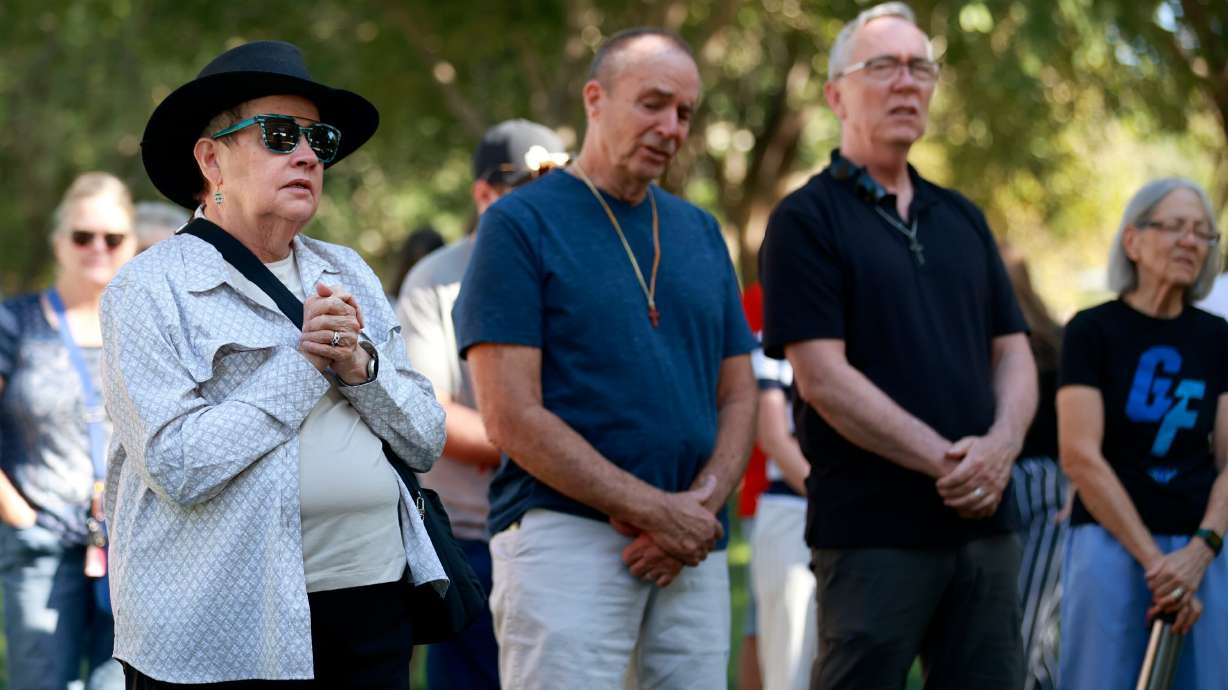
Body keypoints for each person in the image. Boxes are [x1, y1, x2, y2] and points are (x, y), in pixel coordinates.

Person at [100, 40, 447, 687]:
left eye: (321, 139)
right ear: (212, 159)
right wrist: (304, 361)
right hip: (219, 622)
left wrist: (358, 369)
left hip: (370, 601)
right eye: (281, 134)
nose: (308, 155)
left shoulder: (349, 271)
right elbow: (177, 465)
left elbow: (426, 439)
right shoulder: (147, 289)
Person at [453, 27, 758, 688]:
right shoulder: (519, 224)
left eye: (685, 112)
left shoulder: (701, 231)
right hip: (564, 538)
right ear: (595, 98)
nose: (671, 126)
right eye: (652, 103)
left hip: (690, 549)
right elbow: (510, 415)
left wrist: (696, 510)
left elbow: (739, 393)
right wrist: (657, 510)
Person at [759, 4, 1037, 689]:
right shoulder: (805, 220)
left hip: (986, 528)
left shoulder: (963, 218)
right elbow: (822, 378)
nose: (907, 83)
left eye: (921, 68)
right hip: (872, 534)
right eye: (883, 66)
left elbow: (1016, 353)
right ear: (835, 94)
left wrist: (998, 449)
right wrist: (950, 463)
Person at [396, 118, 567, 690]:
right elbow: (429, 413)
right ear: (484, 194)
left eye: (557, 182)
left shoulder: (575, 270)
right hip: (475, 537)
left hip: (573, 525)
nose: (544, 200)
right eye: (526, 185)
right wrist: (550, 447)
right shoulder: (434, 281)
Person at [1057, 177, 1228, 690]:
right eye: (1174, 226)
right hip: (1110, 544)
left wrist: (1200, 551)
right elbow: (1079, 455)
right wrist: (1158, 566)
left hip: (1201, 550)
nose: (1190, 241)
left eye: (1203, 232)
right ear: (1132, 240)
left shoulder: (1219, 339)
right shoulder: (1090, 331)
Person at [0, 171, 135, 690]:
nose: (97, 248)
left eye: (112, 238)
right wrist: (18, 513)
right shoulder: (16, 322)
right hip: (42, 541)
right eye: (82, 236)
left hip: (131, 546)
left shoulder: (145, 326)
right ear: (59, 242)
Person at [1000, 245, 1067, 690]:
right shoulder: (1054, 338)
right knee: (1032, 625)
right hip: (1034, 484)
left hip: (1028, 484)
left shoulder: (1047, 342)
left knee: (1025, 624)